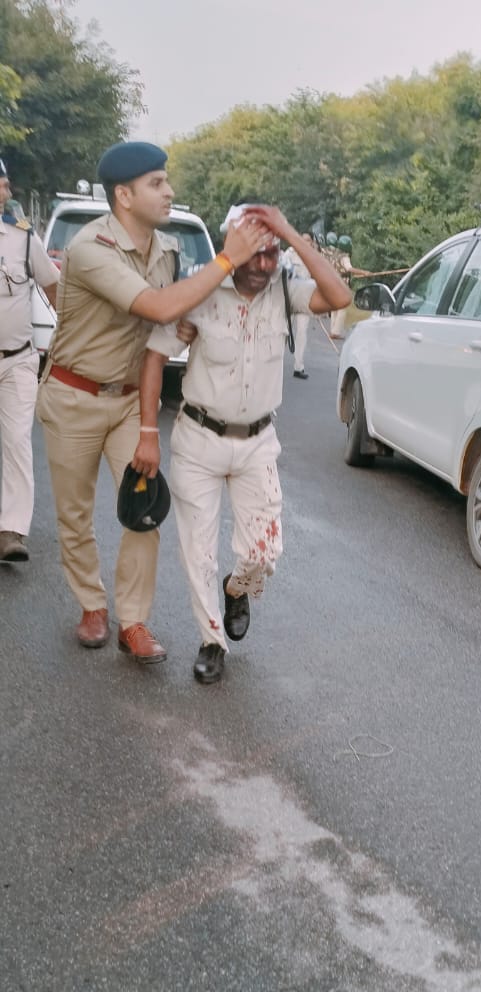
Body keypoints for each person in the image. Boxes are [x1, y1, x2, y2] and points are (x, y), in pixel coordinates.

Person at [35, 141, 268, 663]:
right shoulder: (90, 248)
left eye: (166, 181)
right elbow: (157, 305)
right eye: (157, 183)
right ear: (124, 195)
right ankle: (92, 604)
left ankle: (133, 620)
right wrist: (227, 257)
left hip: (126, 399)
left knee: (144, 508)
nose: (169, 191)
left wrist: (183, 326)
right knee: (74, 512)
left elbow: (166, 318)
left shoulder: (165, 248)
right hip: (74, 393)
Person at [137, 202, 352, 684]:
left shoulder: (284, 291)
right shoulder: (200, 292)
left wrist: (289, 234)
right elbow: (154, 358)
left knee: (263, 552)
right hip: (199, 439)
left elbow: (339, 296)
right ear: (231, 247)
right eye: (253, 252)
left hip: (257, 441)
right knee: (198, 552)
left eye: (270, 253)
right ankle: (212, 640)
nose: (262, 264)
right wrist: (148, 432)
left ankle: (236, 589)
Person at [0, 156, 59, 563]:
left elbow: (54, 288)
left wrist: (74, 337)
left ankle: (11, 531)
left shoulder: (22, 239)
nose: (5, 189)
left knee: (17, 442)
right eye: (1, 183)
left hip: (18, 360)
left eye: (5, 183)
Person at [283, 233, 314, 379]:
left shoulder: (313, 256)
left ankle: (298, 367)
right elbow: (283, 270)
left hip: (304, 298)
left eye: (308, 240)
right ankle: (276, 362)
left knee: (302, 332)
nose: (305, 242)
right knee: (284, 330)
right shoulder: (290, 253)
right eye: (303, 239)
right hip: (289, 296)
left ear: (312, 243)